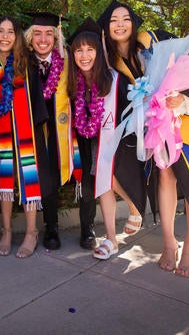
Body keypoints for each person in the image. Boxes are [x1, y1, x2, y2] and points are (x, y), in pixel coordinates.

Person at [67, 17, 147, 259]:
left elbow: (130, 109)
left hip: (118, 140)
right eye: (79, 50)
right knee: (103, 182)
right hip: (91, 141)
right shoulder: (74, 81)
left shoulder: (115, 79)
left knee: (109, 178)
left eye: (90, 49)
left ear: (98, 52)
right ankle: (111, 238)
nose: (84, 55)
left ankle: (133, 208)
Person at [0, 16, 48, 258]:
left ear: (17, 36)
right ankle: (7, 231)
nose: (5, 36)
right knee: (5, 182)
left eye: (10, 32)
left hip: (25, 133)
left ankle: (31, 232)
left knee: (28, 176)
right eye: (0, 31)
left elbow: (37, 101)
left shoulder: (26, 63)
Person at [94, 0, 150, 240]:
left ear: (133, 23)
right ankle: (135, 207)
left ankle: (141, 208)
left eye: (125, 19)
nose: (119, 24)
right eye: (113, 20)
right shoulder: (106, 56)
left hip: (152, 120)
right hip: (119, 122)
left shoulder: (148, 48)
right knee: (107, 170)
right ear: (107, 27)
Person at [24, 12, 73, 250]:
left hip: (57, 128)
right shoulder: (22, 62)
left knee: (53, 174)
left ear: (56, 38)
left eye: (49, 34)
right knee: (35, 174)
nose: (43, 39)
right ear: (29, 37)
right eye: (37, 34)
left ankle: (52, 227)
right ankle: (37, 227)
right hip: (30, 128)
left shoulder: (65, 62)